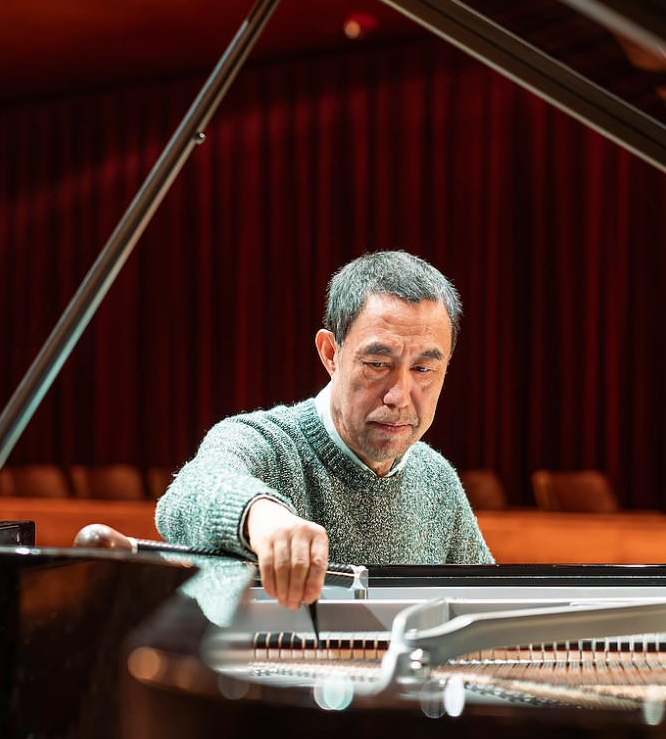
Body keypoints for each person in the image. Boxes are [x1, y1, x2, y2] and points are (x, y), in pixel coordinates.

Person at [156, 250, 491, 608]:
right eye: (378, 364)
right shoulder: (262, 442)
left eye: (423, 370)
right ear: (331, 353)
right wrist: (262, 514)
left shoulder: (436, 479)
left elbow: (489, 611)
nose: (401, 398)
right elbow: (189, 493)